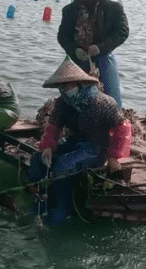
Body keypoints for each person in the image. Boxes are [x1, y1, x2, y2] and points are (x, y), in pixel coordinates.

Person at [28, 58, 132, 226]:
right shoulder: (63, 103)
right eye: (62, 86)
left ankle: (63, 208)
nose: (65, 89)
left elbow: (122, 129)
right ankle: (42, 200)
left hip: (96, 148)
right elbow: (54, 127)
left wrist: (114, 157)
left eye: (69, 85)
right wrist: (47, 147)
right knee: (37, 160)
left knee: (63, 165)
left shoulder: (103, 103)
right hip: (72, 142)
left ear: (80, 83)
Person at [57, 0, 128, 108]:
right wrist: (74, 50)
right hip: (79, 57)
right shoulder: (69, 10)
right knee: (74, 96)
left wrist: (100, 47)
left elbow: (122, 32)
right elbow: (63, 36)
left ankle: (115, 123)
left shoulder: (113, 8)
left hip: (104, 56)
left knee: (112, 97)